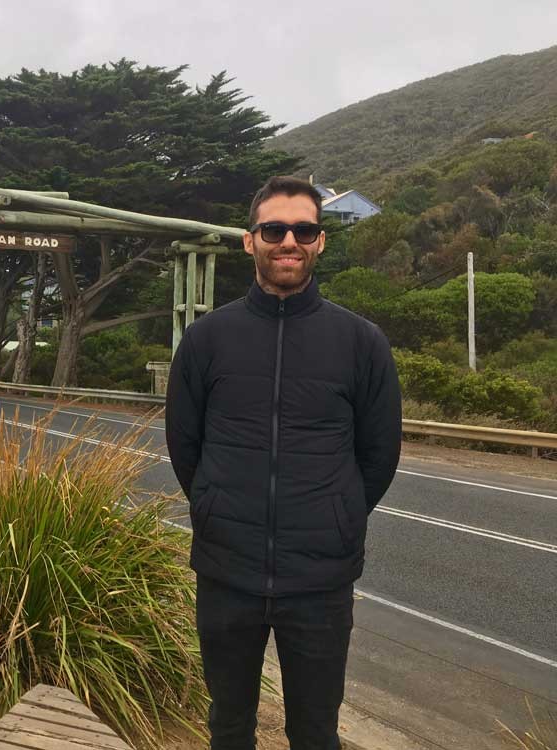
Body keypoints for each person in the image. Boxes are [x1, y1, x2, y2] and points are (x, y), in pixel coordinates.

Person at [165, 175, 402, 750]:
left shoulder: (361, 342)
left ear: (320, 241)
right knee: (228, 723)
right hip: (227, 572)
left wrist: (337, 512)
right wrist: (217, 506)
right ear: (250, 241)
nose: (289, 240)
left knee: (316, 732)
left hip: (320, 580)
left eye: (304, 229)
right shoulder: (206, 340)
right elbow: (184, 446)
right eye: (274, 229)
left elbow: (378, 455)